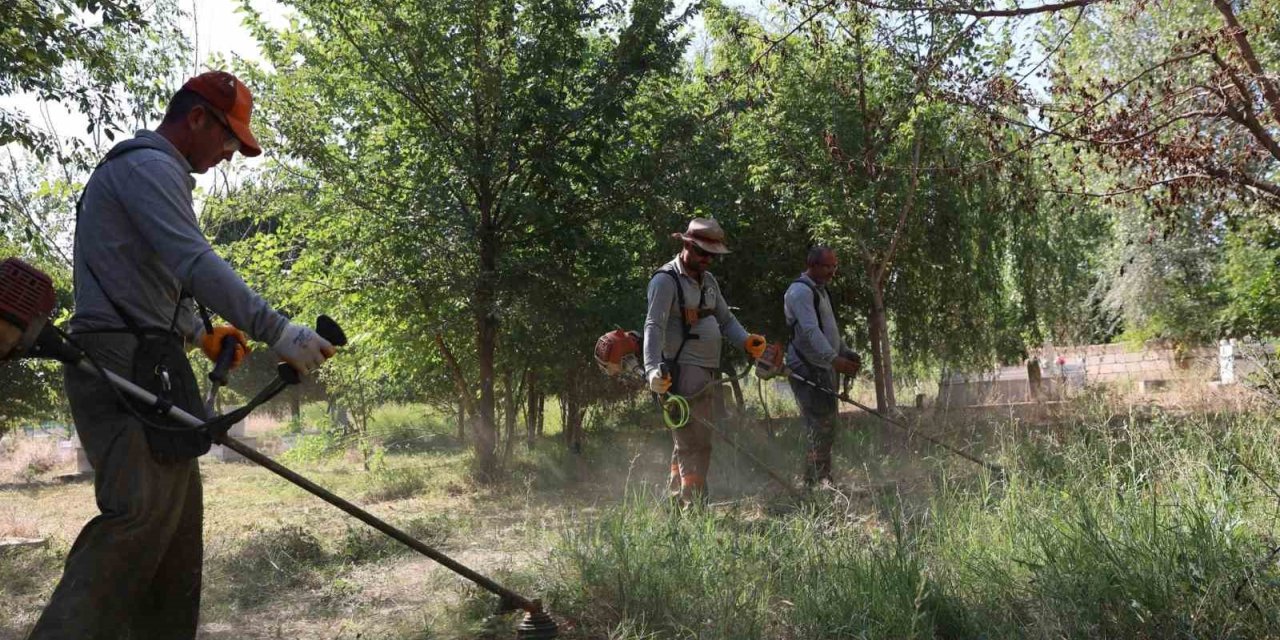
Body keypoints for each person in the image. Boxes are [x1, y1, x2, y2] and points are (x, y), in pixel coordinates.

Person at [28, 71, 335, 640]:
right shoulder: (147, 166)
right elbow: (192, 261)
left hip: (151, 354)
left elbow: (151, 276)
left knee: (176, 524)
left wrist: (199, 335)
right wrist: (277, 331)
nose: (228, 154)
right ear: (197, 117)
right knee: (139, 517)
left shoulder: (153, 174)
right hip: (119, 359)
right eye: (227, 139)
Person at [643, 218, 767, 505]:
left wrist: (746, 340)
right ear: (687, 245)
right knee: (695, 441)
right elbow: (653, 326)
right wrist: (651, 369)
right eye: (702, 252)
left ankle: (677, 497)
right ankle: (694, 504)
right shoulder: (665, 280)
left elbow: (726, 319)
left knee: (688, 438)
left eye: (712, 255)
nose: (708, 259)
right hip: (682, 370)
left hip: (707, 370)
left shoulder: (708, 280)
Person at [784, 246, 860, 487]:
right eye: (827, 266)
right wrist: (834, 359)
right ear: (812, 264)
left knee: (826, 425)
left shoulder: (820, 292)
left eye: (834, 266)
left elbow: (829, 330)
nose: (832, 271)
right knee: (818, 424)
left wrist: (844, 352)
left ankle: (822, 478)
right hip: (807, 368)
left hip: (822, 367)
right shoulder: (800, 291)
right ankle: (814, 482)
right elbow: (810, 331)